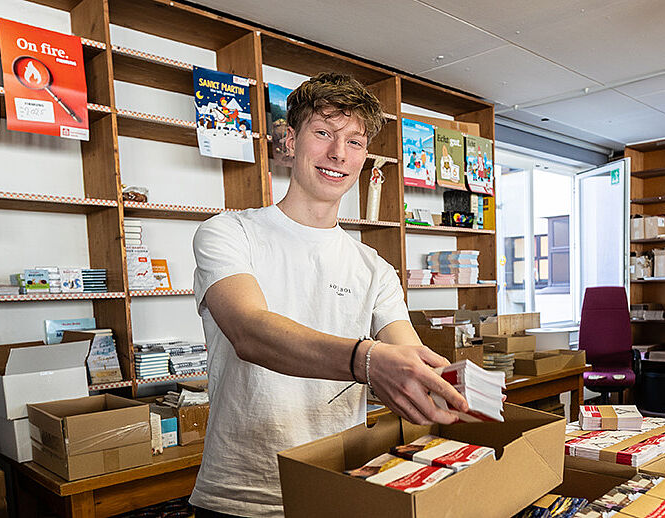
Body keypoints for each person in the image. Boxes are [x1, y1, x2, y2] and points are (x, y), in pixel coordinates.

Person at [189, 72, 470, 518]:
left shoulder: (374, 268)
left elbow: (405, 353)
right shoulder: (229, 232)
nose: (338, 153)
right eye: (323, 133)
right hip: (242, 497)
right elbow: (249, 332)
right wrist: (368, 361)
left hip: (337, 491)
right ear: (289, 139)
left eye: (355, 142)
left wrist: (450, 386)